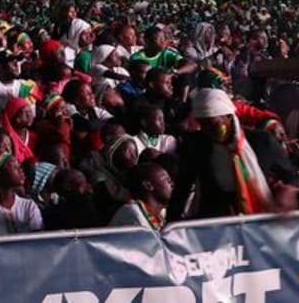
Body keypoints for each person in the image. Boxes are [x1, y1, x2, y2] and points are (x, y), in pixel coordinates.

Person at [169, 89, 279, 220]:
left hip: (260, 219)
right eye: (203, 125)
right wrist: (172, 221)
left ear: (229, 117)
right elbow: (182, 187)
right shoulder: (196, 145)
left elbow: (291, 176)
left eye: (214, 124)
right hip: (216, 222)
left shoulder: (261, 142)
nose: (208, 131)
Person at [109, 162, 173, 229]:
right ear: (148, 186)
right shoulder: (132, 213)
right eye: (167, 180)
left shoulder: (161, 213)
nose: (172, 184)